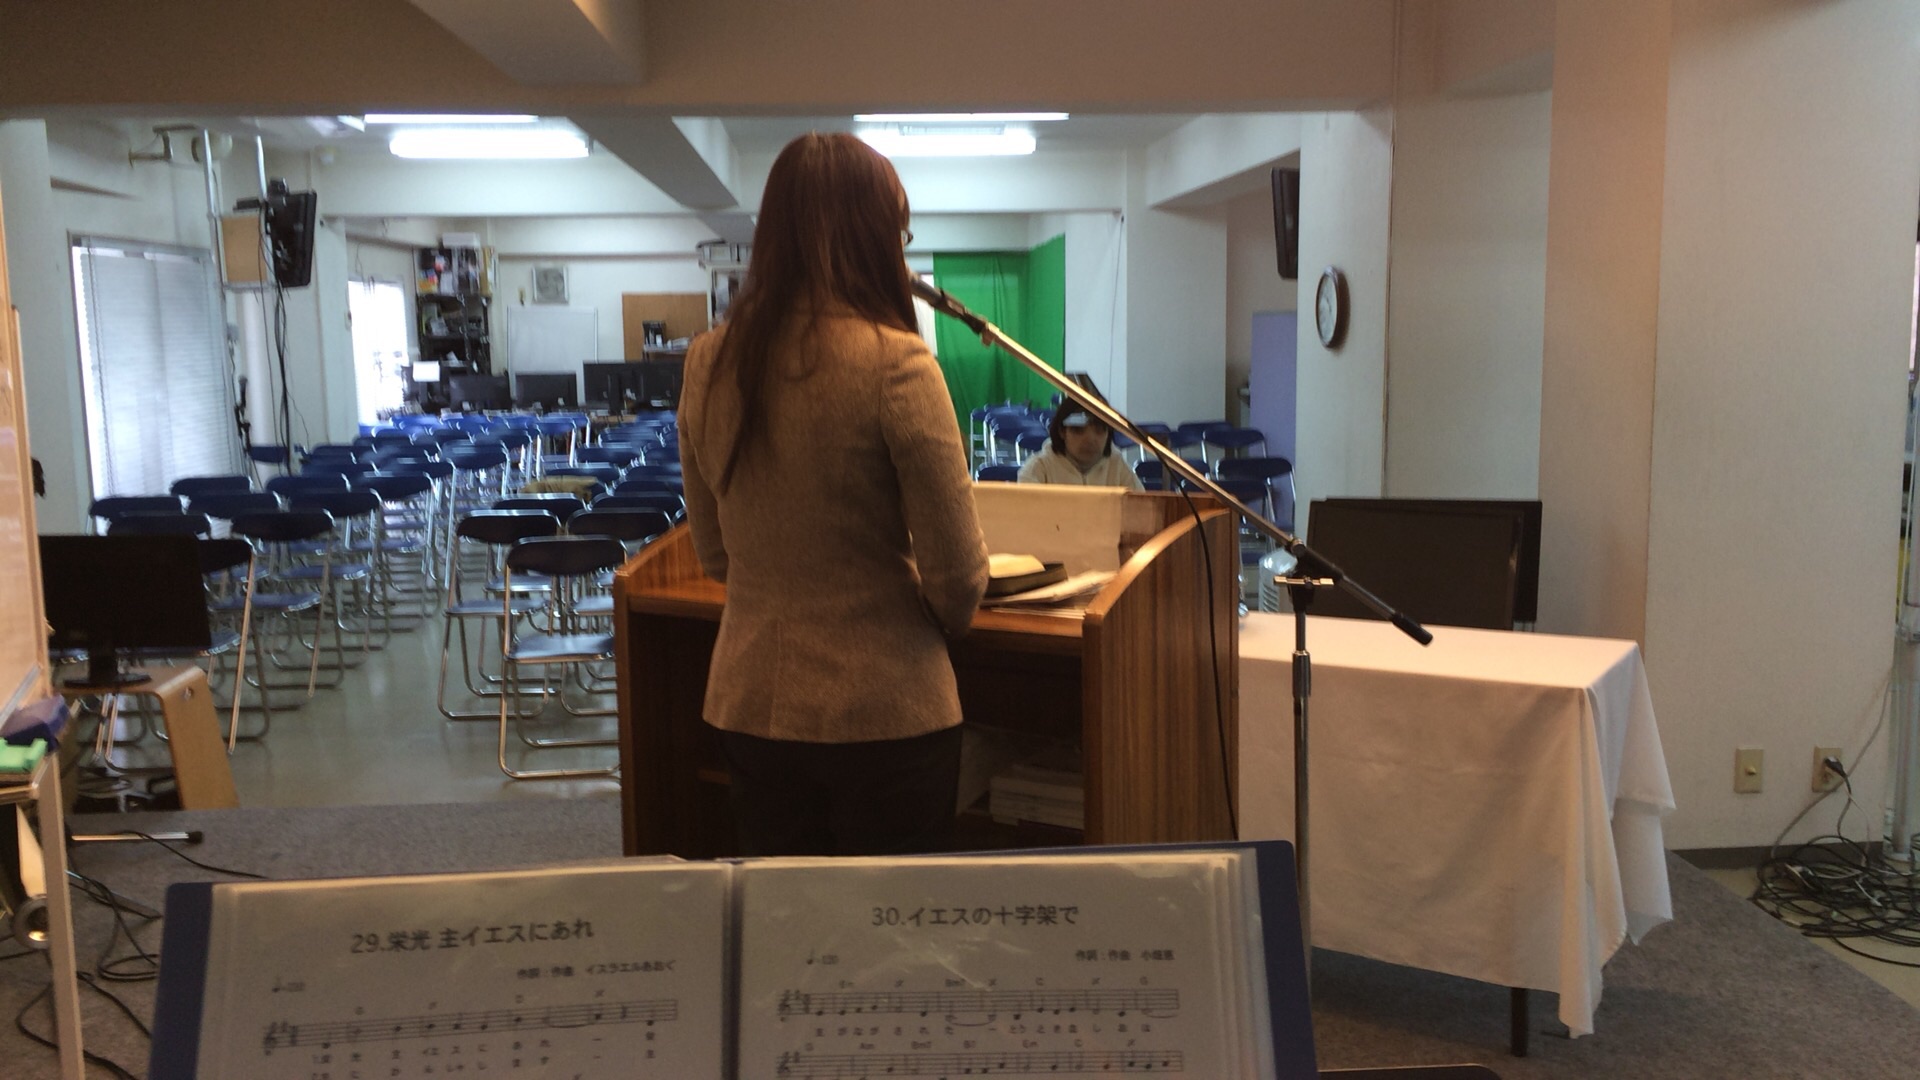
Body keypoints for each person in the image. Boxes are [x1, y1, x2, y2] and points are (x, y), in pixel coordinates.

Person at [677, 132, 990, 858]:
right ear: (873, 236)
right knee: (890, 926)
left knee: (784, 919)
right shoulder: (897, 362)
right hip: (886, 712)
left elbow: (715, 556)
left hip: (749, 703)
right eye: (898, 233)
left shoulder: (706, 361)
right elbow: (958, 583)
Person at [1016, 404, 1145, 489]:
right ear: (1062, 432)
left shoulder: (1118, 465)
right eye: (1078, 430)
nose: (1090, 439)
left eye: (1099, 430)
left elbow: (1141, 512)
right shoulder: (1038, 469)